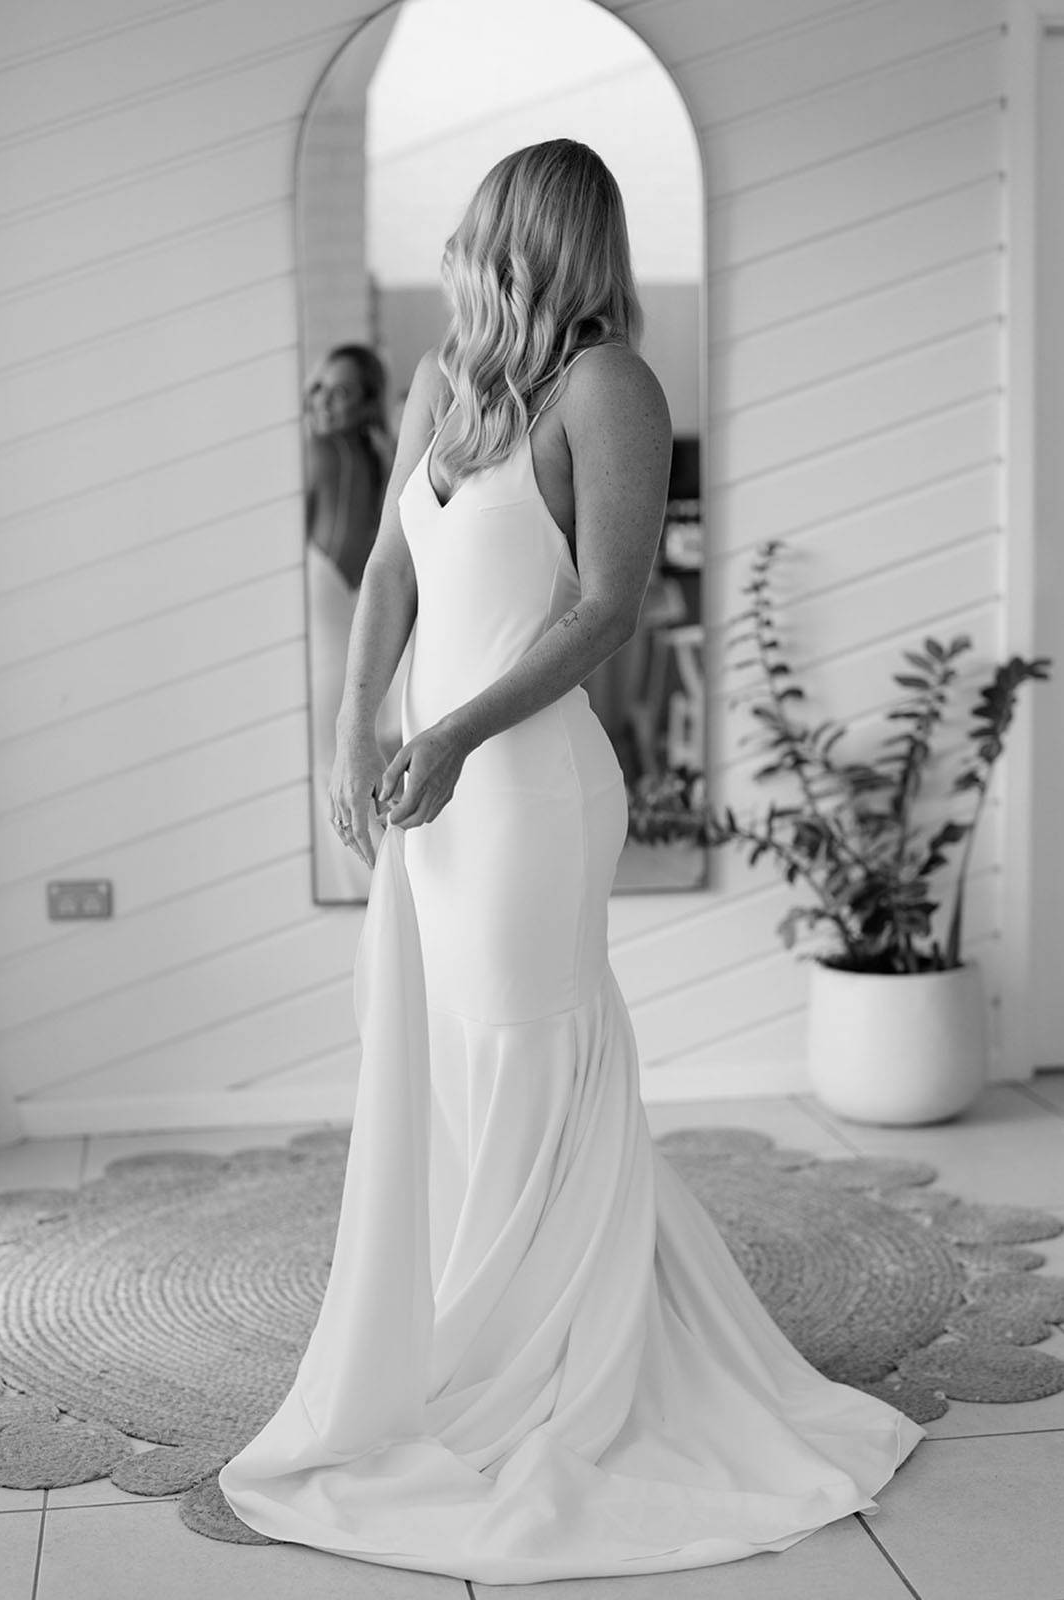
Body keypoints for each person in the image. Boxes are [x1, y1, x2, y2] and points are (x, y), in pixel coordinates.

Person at [218, 139, 925, 1584]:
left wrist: (459, 733)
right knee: (442, 1050)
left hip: (527, 782)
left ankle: (537, 1353)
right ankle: (472, 1318)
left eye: (486, 227)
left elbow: (605, 608)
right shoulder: (442, 383)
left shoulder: (608, 387)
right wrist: (352, 728)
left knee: (525, 1047)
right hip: (433, 786)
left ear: (530, 236)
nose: (468, 247)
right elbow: (391, 578)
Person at [302, 344, 405, 900]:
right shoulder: (389, 466)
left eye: (339, 392)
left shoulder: (319, 458)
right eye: (317, 387)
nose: (321, 402)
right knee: (358, 809)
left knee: (331, 806)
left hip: (321, 683)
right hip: (374, 676)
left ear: (365, 404)